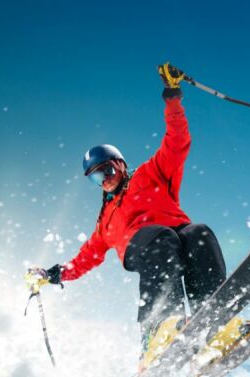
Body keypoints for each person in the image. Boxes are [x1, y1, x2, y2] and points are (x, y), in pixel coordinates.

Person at [44, 63, 226, 347]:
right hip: (144, 245)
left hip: (177, 232)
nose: (104, 181)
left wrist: (172, 97)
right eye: (95, 179)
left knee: (199, 234)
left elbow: (177, 141)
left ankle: (214, 319)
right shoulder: (106, 221)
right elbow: (85, 258)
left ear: (121, 165)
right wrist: (56, 274)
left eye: (107, 171)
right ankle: (159, 328)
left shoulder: (150, 174)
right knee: (161, 238)